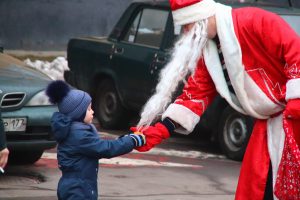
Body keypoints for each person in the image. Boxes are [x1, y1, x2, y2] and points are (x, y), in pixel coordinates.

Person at [131, 0, 300, 199]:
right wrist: (159, 130)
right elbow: (194, 96)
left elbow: (295, 51)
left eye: (187, 26)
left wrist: (296, 102)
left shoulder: (254, 20)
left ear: (200, 17)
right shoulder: (210, 54)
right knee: (260, 190)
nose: (186, 34)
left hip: (293, 120)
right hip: (270, 128)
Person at [46, 80, 146, 200]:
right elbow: (106, 148)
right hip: (78, 190)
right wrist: (132, 141)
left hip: (76, 186)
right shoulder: (78, 135)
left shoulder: (74, 130)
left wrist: (125, 138)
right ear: (77, 113)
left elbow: (98, 145)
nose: (93, 111)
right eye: (88, 109)